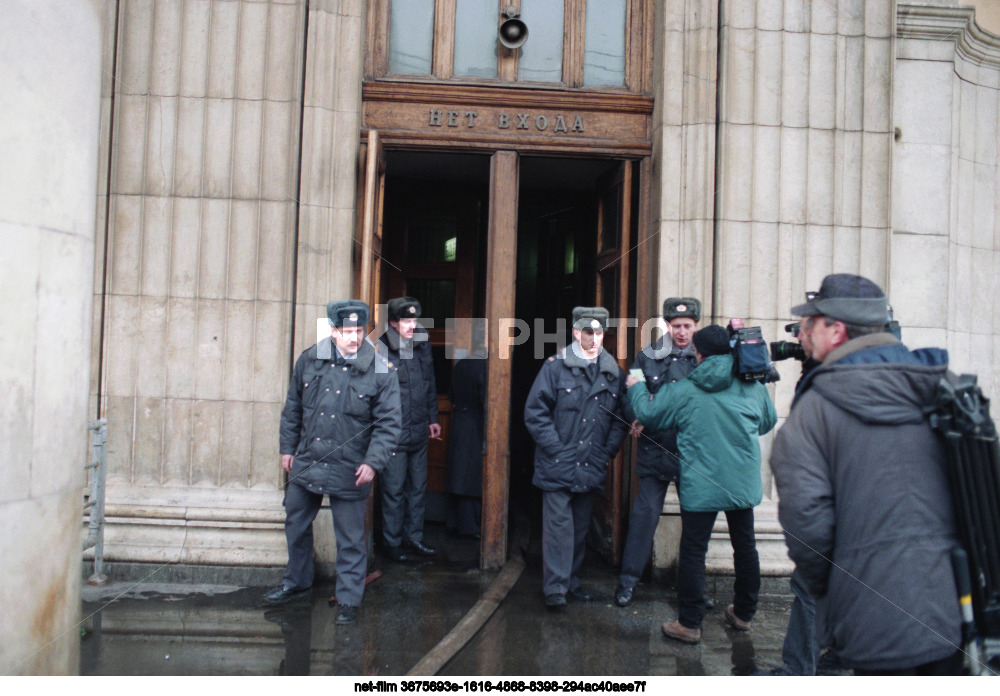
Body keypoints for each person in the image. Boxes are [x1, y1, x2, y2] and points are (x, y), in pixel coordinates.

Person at [770, 273, 962, 675]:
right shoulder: (946, 387)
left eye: (811, 322)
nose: (803, 331)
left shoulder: (813, 412)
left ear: (836, 331)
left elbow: (808, 529)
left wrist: (835, 597)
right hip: (955, 613)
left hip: (871, 624)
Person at [628, 324, 776, 644]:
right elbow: (767, 422)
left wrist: (636, 383)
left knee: (694, 550)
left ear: (698, 353)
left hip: (702, 483)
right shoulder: (752, 386)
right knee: (745, 546)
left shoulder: (685, 389)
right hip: (740, 483)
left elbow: (648, 413)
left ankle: (690, 623)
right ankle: (744, 613)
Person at [264, 300, 401, 625]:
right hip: (308, 460)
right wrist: (287, 448)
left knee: (350, 538)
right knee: (295, 523)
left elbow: (389, 424)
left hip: (351, 467)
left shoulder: (381, 369)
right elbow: (293, 407)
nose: (354, 338)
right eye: (346, 331)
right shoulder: (310, 359)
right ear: (333, 330)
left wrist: (373, 462)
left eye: (358, 331)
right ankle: (297, 583)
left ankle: (349, 600)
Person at [524, 307, 629, 610]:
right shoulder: (555, 368)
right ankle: (555, 589)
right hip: (557, 463)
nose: (594, 339)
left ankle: (570, 580)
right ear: (575, 333)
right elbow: (535, 412)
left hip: (590, 465)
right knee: (558, 529)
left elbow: (622, 416)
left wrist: (607, 451)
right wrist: (555, 447)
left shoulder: (612, 373)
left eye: (599, 333)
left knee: (580, 528)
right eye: (588, 333)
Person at [615, 297, 701, 607]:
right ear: (667, 325)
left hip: (690, 453)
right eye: (676, 326)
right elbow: (630, 388)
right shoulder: (646, 357)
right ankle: (627, 583)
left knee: (695, 524)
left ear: (696, 326)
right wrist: (634, 415)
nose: (681, 332)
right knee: (643, 519)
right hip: (654, 449)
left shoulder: (703, 358)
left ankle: (693, 591)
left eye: (687, 326)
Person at [378, 296, 441, 561]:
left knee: (417, 488)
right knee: (393, 490)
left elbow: (428, 383)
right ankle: (391, 544)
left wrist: (433, 418)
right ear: (393, 322)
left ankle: (413, 538)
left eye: (415, 320)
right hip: (393, 433)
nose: (412, 325)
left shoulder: (421, 344)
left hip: (418, 430)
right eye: (406, 320)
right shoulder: (381, 348)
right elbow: (376, 394)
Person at [446, 321, 487, 538]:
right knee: (471, 477)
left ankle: (454, 522)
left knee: (459, 474)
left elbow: (452, 395)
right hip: (476, 423)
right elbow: (485, 399)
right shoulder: (485, 365)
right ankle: (470, 526)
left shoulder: (462, 363)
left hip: (459, 422)